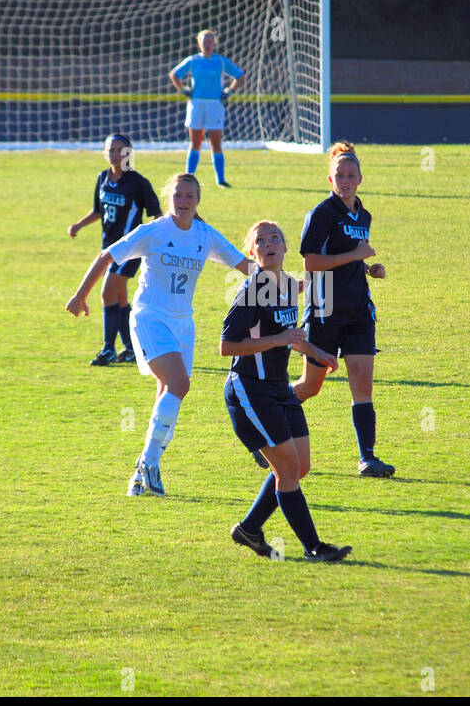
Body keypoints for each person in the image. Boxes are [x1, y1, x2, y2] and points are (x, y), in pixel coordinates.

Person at [66, 173, 251, 497]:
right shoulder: (153, 231)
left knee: (169, 394)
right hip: (150, 317)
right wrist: (80, 295)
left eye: (189, 196)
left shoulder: (205, 235)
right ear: (170, 198)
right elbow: (107, 256)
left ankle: (141, 471)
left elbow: (245, 265)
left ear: (198, 200)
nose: (183, 201)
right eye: (178, 195)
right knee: (180, 385)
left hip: (184, 325)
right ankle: (150, 465)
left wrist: (287, 283)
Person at [221, 221, 352, 562]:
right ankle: (314, 547)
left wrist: (317, 353)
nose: (268, 244)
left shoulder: (285, 286)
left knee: (299, 466)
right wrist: (279, 339)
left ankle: (250, 528)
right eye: (260, 240)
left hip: (279, 389)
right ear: (252, 252)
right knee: (288, 471)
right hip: (250, 391)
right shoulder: (252, 290)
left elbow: (287, 335)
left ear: (284, 247)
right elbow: (227, 346)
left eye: (275, 238)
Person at [292, 141, 394, 477]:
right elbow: (310, 261)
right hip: (325, 311)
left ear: (361, 178)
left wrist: (369, 269)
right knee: (310, 386)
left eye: (351, 174)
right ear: (330, 180)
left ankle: (367, 458)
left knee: (363, 384)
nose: (346, 179)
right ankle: (266, 425)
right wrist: (355, 257)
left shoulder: (363, 214)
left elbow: (351, 254)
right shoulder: (321, 214)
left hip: (359, 312)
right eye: (340, 175)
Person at [66, 134, 161, 365]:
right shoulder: (102, 178)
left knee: (107, 293)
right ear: (104, 153)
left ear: (129, 153)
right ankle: (130, 349)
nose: (116, 155)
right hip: (108, 249)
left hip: (130, 249)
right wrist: (79, 224)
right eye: (111, 150)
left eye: (121, 150)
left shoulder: (138, 182)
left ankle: (108, 349)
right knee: (118, 299)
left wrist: (160, 244)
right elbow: (98, 211)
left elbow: (157, 215)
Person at [169, 29, 244, 188]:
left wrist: (230, 91)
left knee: (215, 142)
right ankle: (189, 177)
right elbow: (174, 74)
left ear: (214, 43)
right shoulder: (193, 60)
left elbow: (240, 76)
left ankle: (220, 179)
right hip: (196, 104)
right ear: (199, 43)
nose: (207, 44)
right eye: (204, 41)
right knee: (195, 142)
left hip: (214, 105)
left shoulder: (220, 61)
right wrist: (183, 89)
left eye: (210, 41)